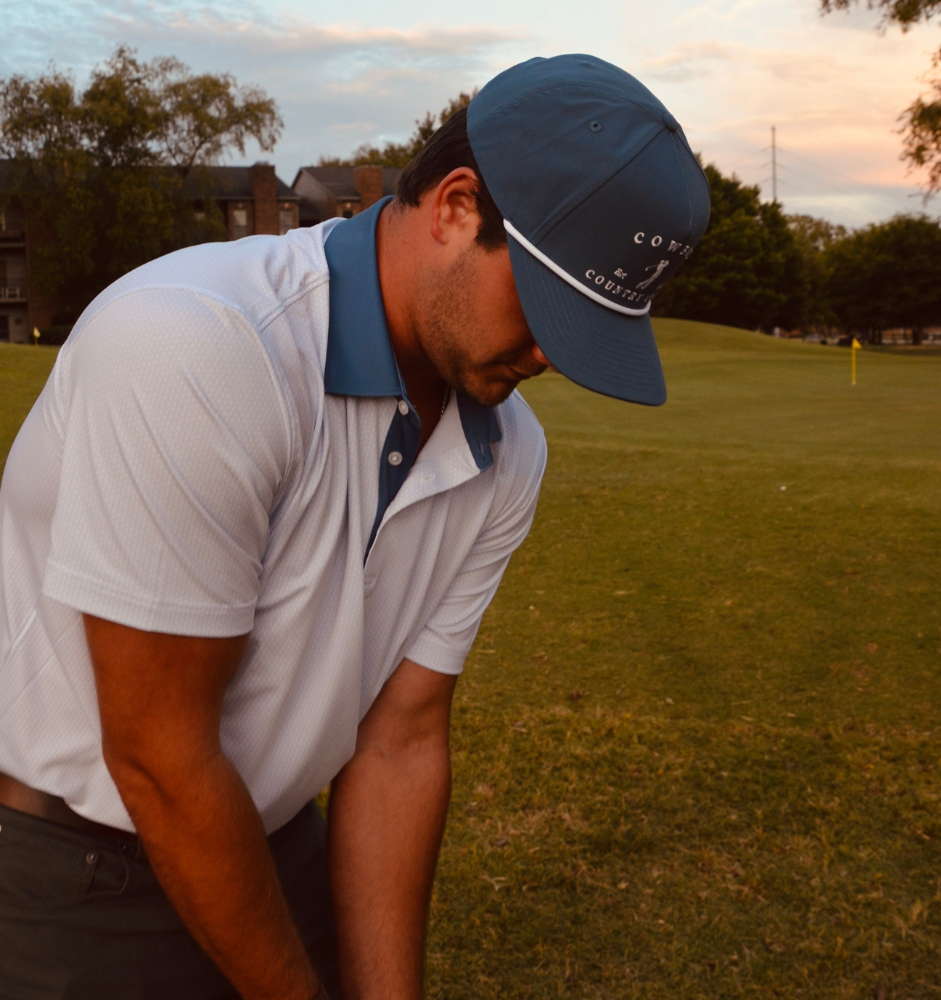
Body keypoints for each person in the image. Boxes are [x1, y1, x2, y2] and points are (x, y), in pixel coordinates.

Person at [0, 54, 709, 999]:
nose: (551, 356)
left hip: (281, 849)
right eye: (547, 307)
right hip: (77, 879)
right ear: (456, 206)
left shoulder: (509, 451)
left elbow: (400, 740)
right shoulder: (200, 345)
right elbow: (160, 757)